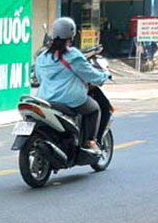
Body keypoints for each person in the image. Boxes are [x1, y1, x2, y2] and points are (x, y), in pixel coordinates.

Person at [34, 17, 110, 153]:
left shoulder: (42, 57)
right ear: (72, 34)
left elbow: (40, 78)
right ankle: (89, 141)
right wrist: (105, 76)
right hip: (69, 100)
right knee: (94, 109)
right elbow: (90, 74)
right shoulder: (72, 55)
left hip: (45, 99)